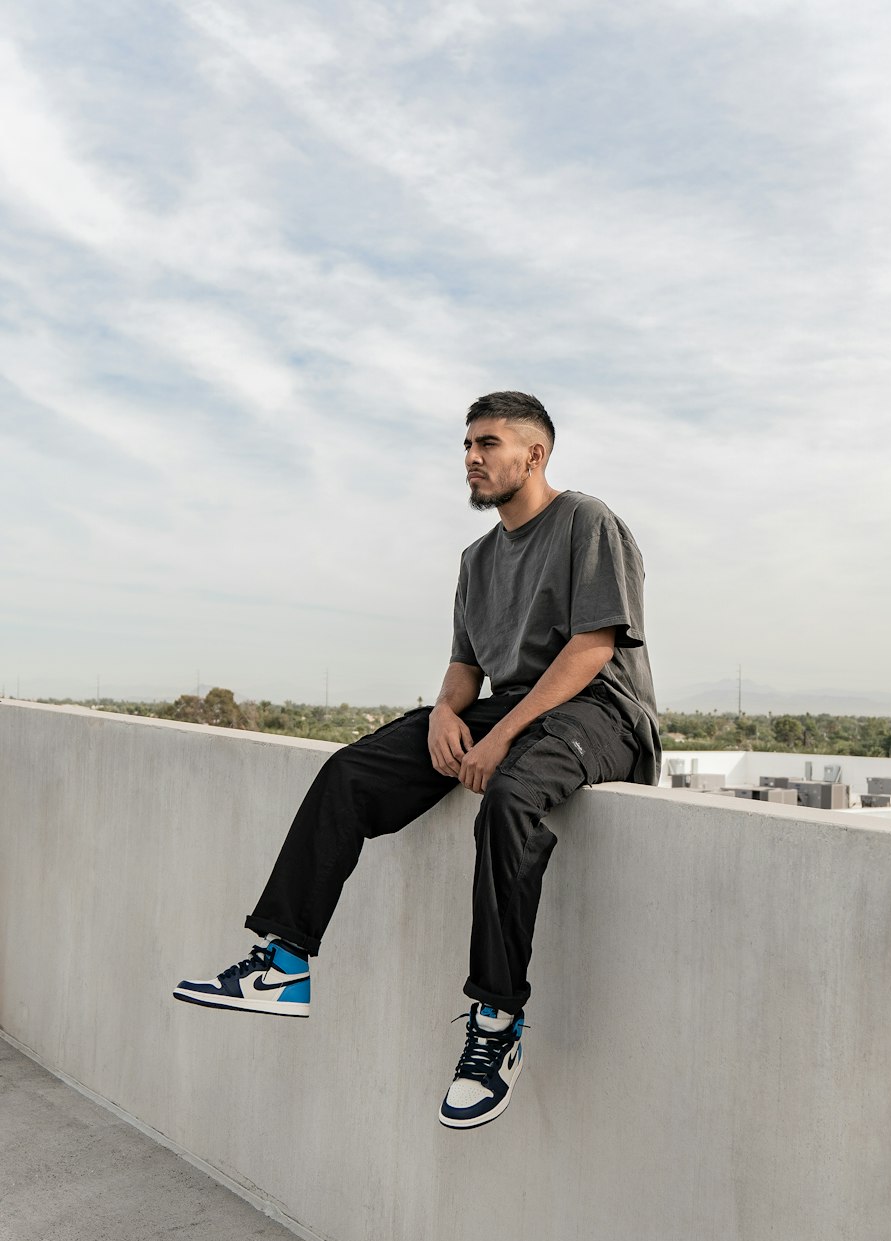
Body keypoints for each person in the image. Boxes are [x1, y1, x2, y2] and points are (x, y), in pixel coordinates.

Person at [174, 391, 660, 1130]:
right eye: (466, 444)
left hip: (602, 711)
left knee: (511, 797)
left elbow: (592, 648)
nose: (470, 458)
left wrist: (497, 739)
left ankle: (496, 1023)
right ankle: (285, 963)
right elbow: (466, 667)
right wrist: (443, 712)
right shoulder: (477, 559)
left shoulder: (586, 522)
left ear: (535, 454)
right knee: (350, 771)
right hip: (513, 707)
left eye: (487, 443)